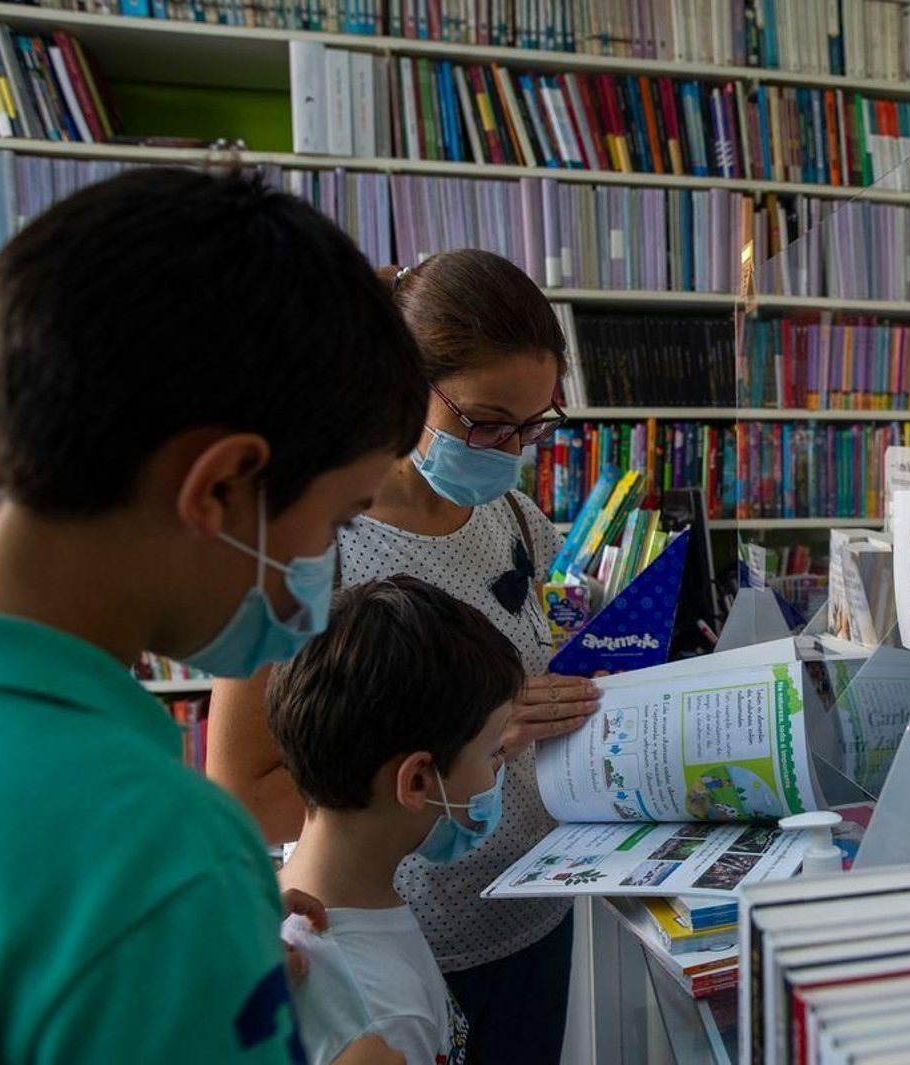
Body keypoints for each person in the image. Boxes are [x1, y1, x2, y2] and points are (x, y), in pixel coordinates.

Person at [0, 168, 429, 1061]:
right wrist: (188, 916)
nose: (325, 562)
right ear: (223, 484)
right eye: (339, 518)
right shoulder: (164, 858)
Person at [209, 249, 600, 1061]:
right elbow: (242, 791)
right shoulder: (307, 540)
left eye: (533, 425)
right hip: (381, 945)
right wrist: (476, 737)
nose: (509, 448)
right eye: (486, 421)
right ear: (403, 384)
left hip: (532, 915)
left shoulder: (519, 520)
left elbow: (542, 682)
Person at [272, 575, 525, 1065]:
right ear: (415, 782)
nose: (499, 768)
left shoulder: (281, 911)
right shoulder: (383, 1021)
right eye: (494, 751)